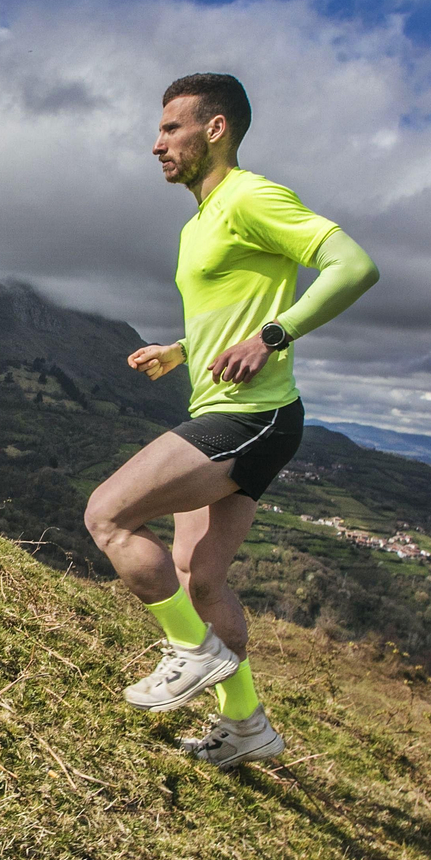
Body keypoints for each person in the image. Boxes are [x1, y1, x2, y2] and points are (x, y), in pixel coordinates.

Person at [85, 73, 378, 768]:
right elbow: (232, 312)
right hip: (235, 409)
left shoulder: (250, 196)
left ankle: (190, 653)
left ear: (215, 129)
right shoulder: (198, 223)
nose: (156, 144)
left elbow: (353, 265)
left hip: (252, 415)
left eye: (170, 129)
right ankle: (247, 728)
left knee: (107, 516)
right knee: (201, 579)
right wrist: (183, 350)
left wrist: (275, 335)